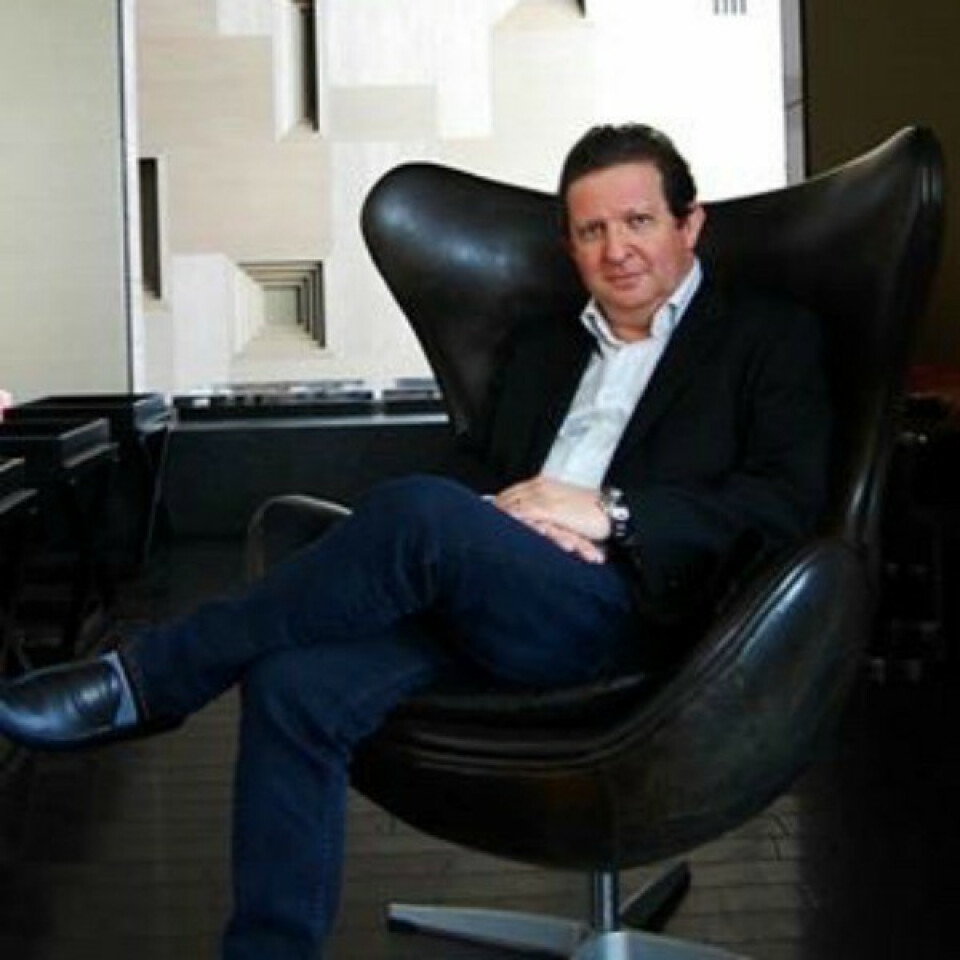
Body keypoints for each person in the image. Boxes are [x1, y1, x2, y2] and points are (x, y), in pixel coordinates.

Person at [0, 124, 830, 958]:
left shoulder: (767, 338)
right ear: (571, 245)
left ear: (690, 224)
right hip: (493, 589)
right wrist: (504, 525)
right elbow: (474, 470)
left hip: (630, 609)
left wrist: (607, 512)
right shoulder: (545, 346)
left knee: (419, 513)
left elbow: (784, 505)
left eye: (638, 221)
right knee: (291, 685)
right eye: (591, 230)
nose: (616, 250)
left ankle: (150, 679)